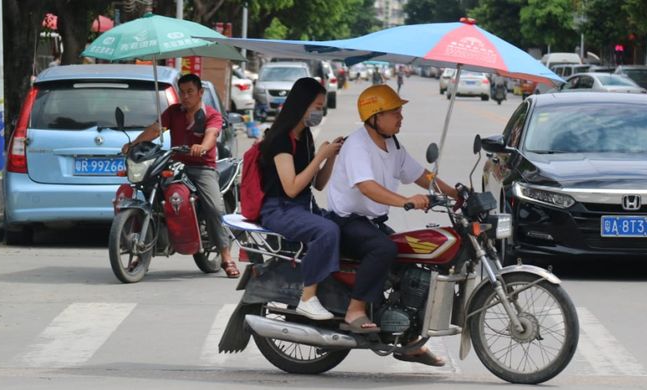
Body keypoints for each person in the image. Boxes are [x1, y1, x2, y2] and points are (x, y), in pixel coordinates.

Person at [326, 84, 458, 365]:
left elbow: (421, 174)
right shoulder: (357, 145)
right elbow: (367, 187)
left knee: (410, 255)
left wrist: (456, 194)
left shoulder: (392, 144)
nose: (401, 117)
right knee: (384, 249)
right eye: (395, 112)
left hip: (372, 222)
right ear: (375, 116)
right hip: (347, 222)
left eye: (400, 112)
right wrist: (405, 201)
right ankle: (355, 310)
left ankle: (408, 340)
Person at [123, 73, 240, 278]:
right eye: (182, 92)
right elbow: (155, 129)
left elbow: (212, 135)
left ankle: (226, 256)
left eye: (190, 92)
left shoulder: (211, 114)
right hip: (175, 164)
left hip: (202, 168)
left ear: (200, 93)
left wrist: (202, 147)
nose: (185, 97)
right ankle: (143, 252)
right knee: (149, 189)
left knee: (214, 207)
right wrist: (134, 144)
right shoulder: (173, 111)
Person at [258, 77, 343, 320]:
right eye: (317, 106)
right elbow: (292, 187)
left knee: (345, 224)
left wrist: (331, 156)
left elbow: (317, 183)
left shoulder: (305, 137)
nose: (320, 111)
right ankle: (308, 297)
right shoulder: (280, 140)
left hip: (304, 206)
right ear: (302, 104)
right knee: (327, 231)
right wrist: (320, 157)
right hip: (280, 209)